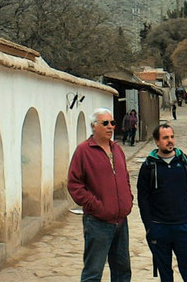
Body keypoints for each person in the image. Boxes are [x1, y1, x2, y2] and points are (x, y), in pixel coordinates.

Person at [67, 108, 134, 282]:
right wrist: (95, 205)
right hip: (98, 222)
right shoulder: (84, 151)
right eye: (105, 123)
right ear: (93, 126)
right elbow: (74, 184)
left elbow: (125, 176)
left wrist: (128, 200)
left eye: (112, 123)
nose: (110, 126)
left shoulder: (117, 149)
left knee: (122, 270)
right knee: (93, 272)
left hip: (121, 221)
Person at [137, 125, 187, 282]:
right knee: (165, 274)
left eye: (171, 137)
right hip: (159, 228)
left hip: (185, 227)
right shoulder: (148, 166)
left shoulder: (184, 162)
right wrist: (149, 226)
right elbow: (142, 199)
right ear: (157, 141)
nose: (170, 141)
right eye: (165, 138)